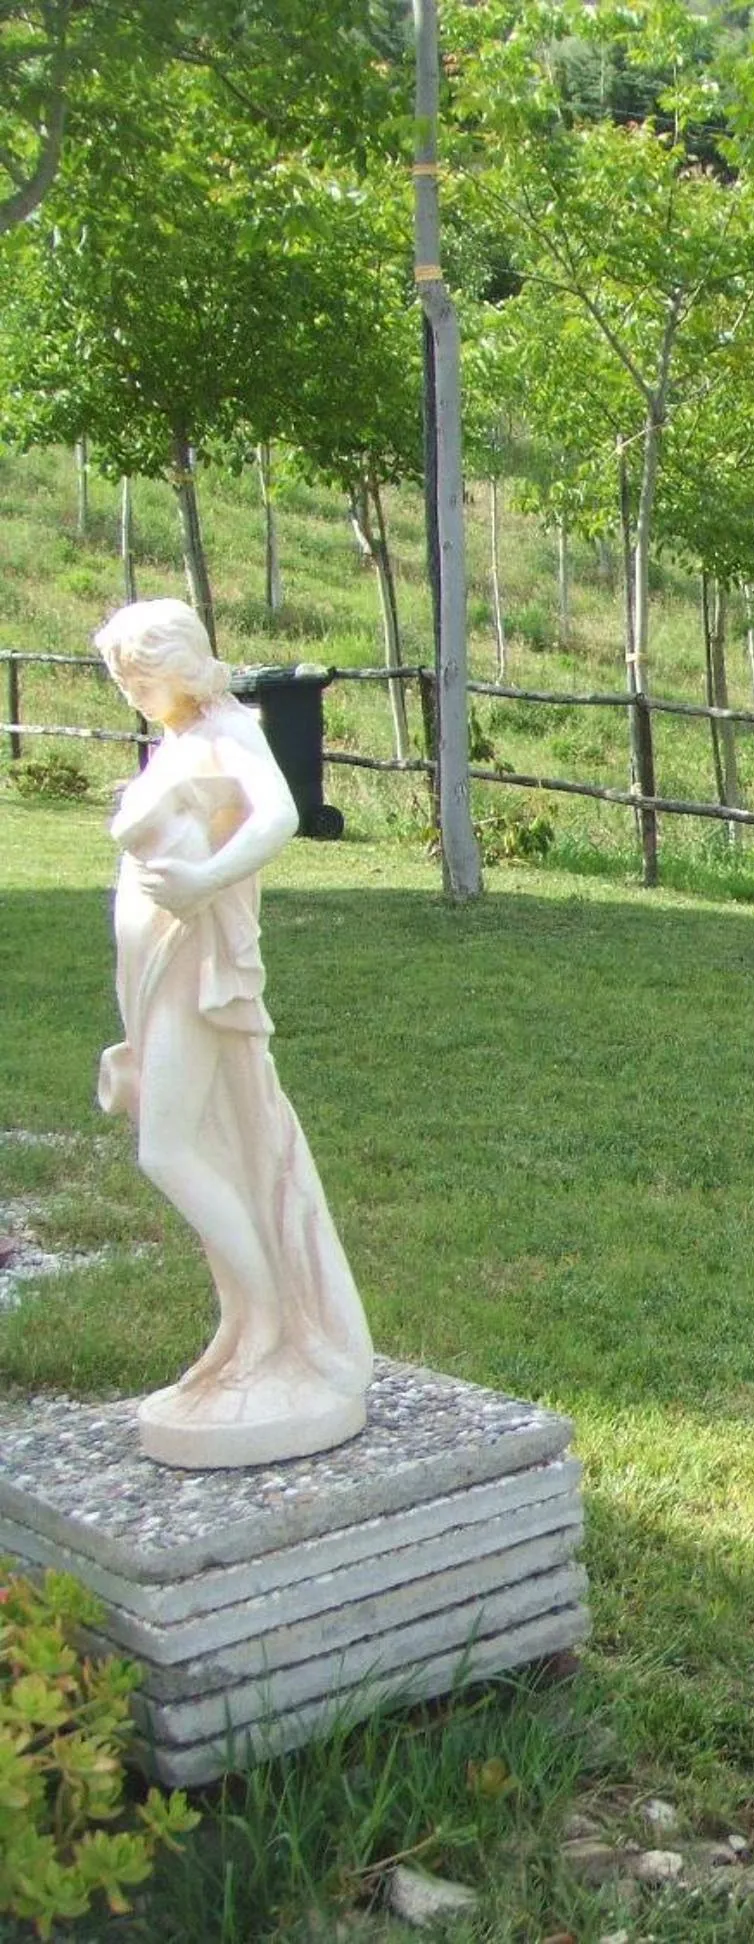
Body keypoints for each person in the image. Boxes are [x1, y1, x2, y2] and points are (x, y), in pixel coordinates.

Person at [95, 599, 373, 1468]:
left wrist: (205, 880)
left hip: (199, 973)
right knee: (205, 1144)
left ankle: (264, 1332)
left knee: (169, 1149)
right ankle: (251, 1324)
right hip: (160, 965)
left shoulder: (227, 727)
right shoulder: (181, 736)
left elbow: (280, 816)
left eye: (137, 678)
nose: (132, 694)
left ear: (174, 666)